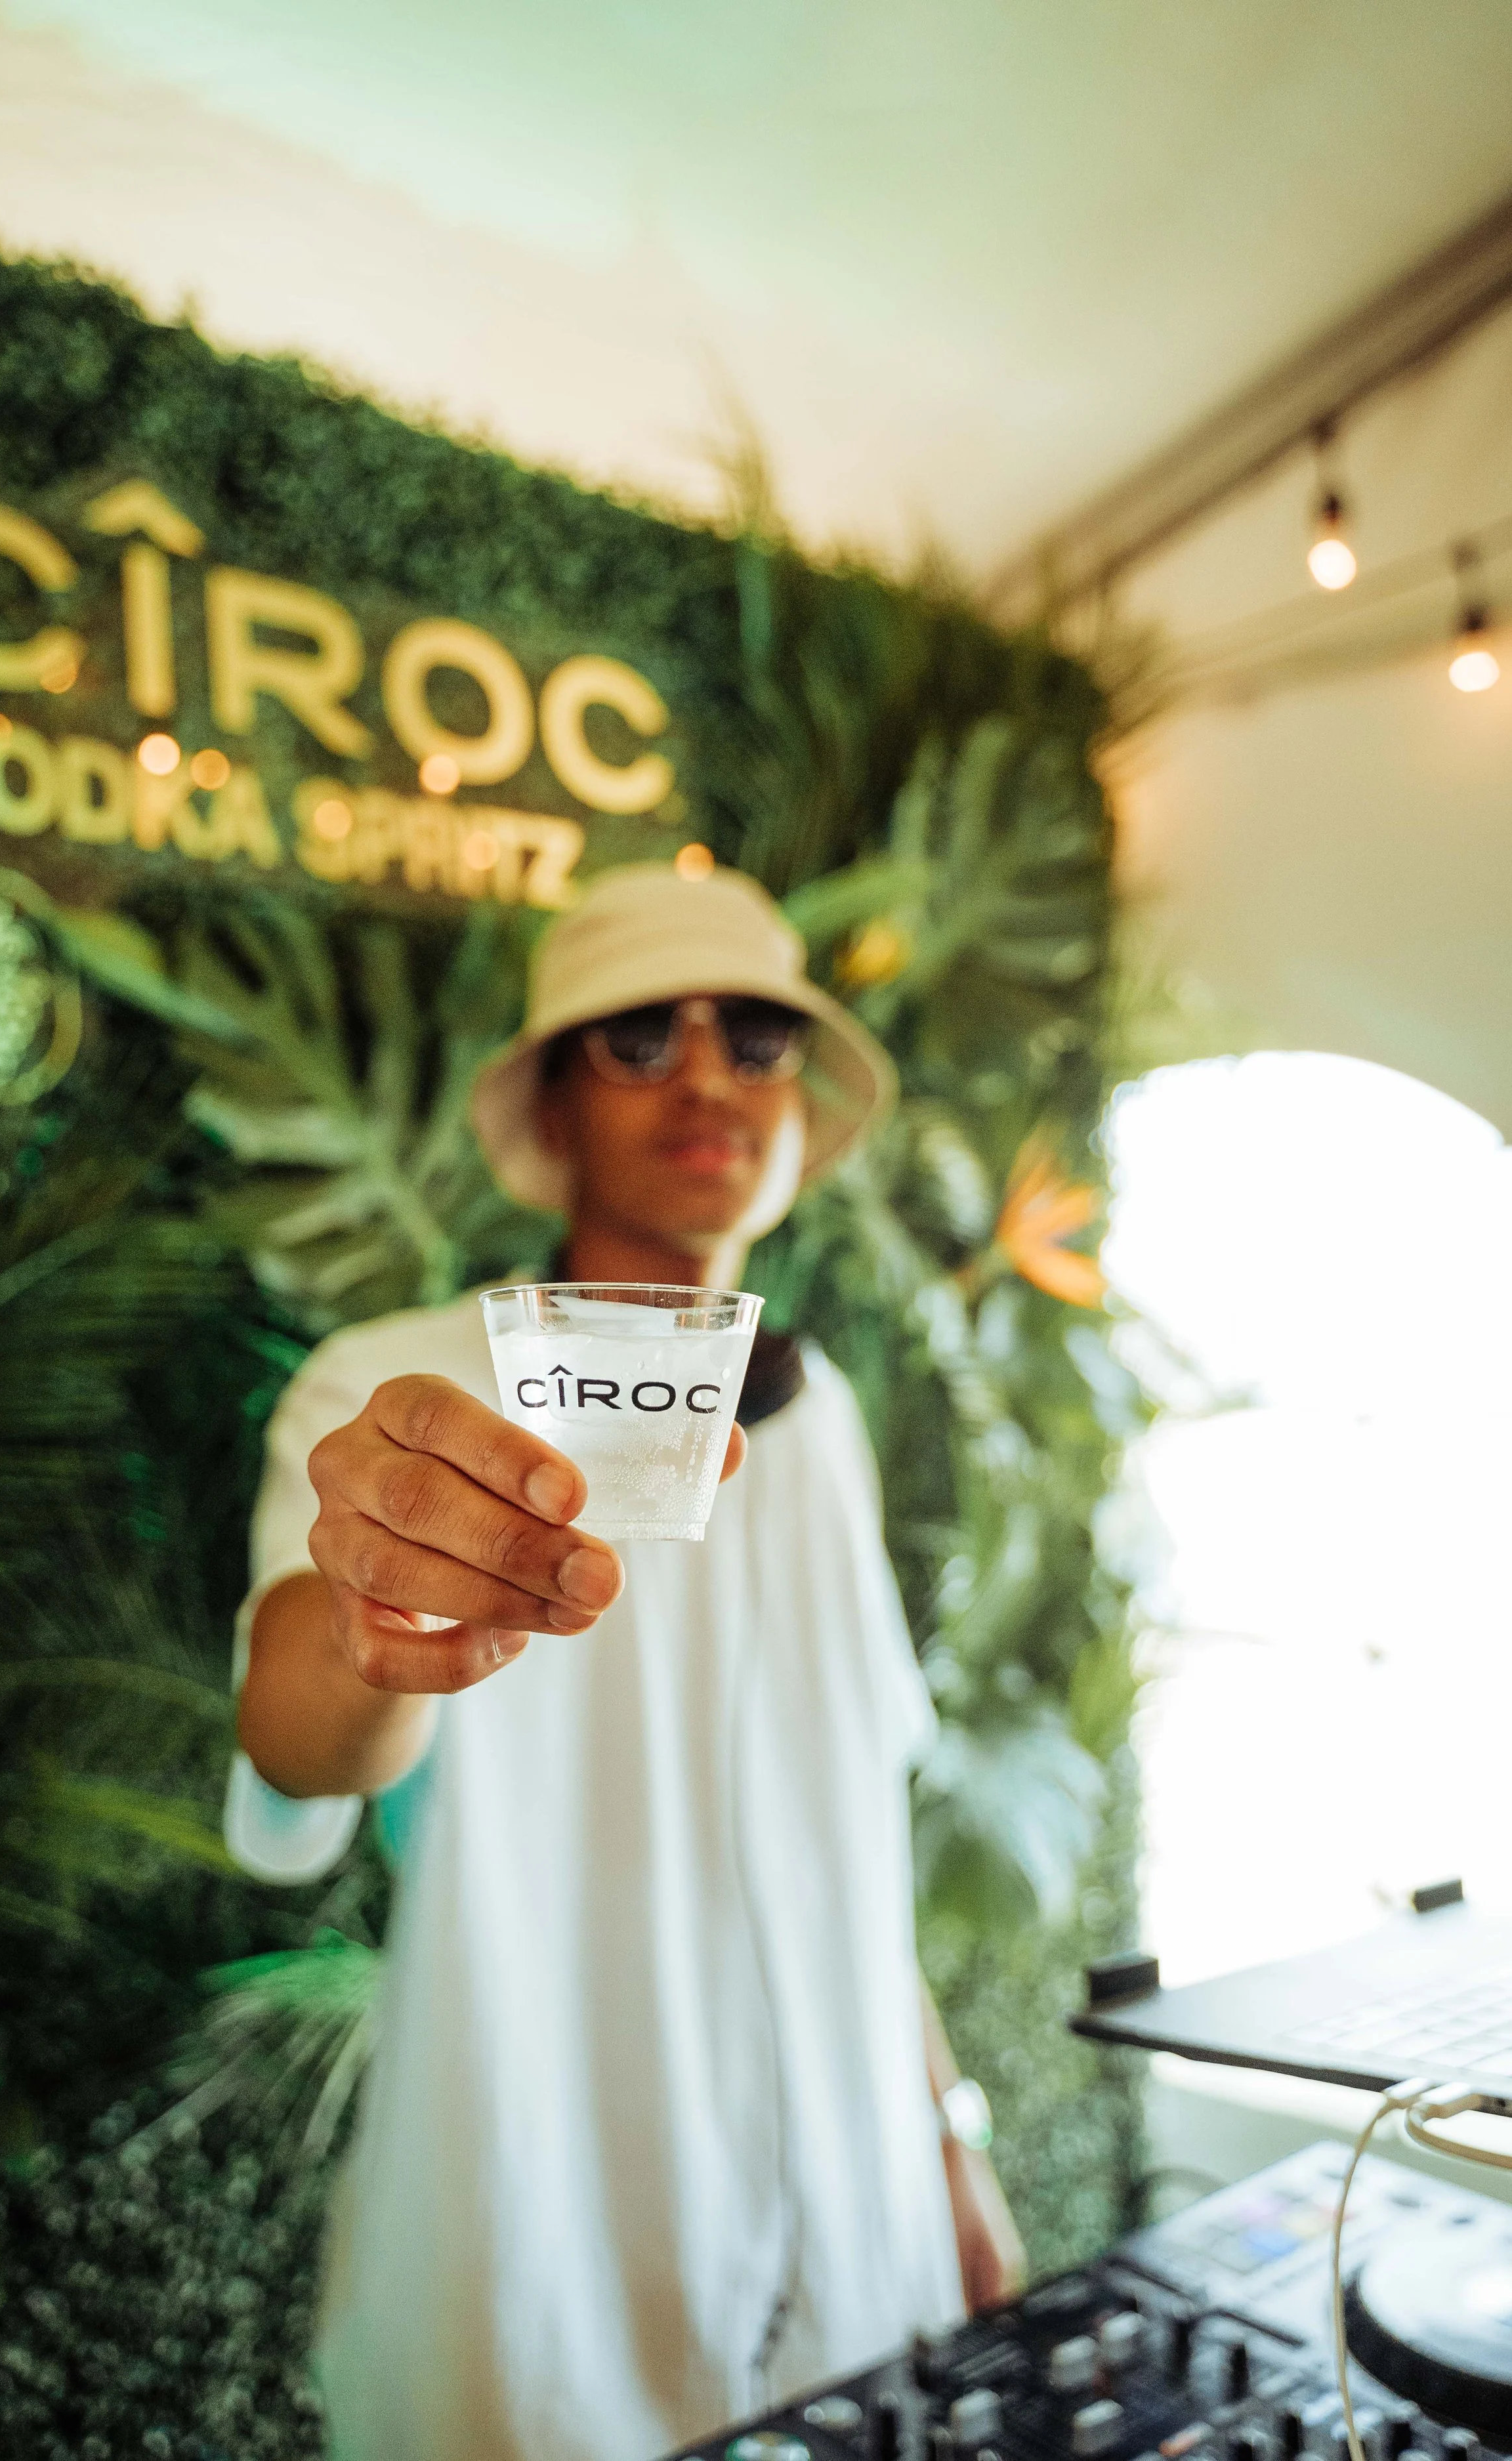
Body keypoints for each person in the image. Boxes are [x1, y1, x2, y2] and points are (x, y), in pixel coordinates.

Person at [228, 862, 1026, 2461]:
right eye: (639, 1040)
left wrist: (951, 2151)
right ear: (551, 1099)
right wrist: (377, 1624)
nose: (711, 1076)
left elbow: (848, 1833)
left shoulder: (822, 1424)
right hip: (537, 2256)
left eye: (753, 1033)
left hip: (856, 2258)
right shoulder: (390, 1390)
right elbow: (295, 1740)